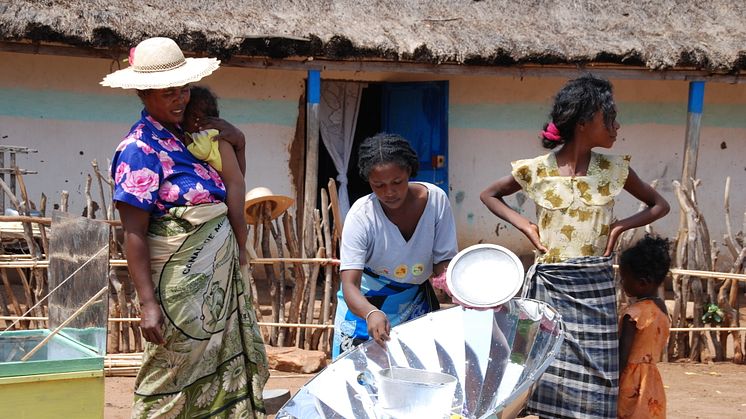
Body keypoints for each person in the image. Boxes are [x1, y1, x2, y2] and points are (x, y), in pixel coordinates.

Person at [480, 74, 670, 418]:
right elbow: (489, 195)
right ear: (584, 122)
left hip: (594, 289)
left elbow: (659, 205)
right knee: (538, 372)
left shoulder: (615, 170)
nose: (616, 126)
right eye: (608, 117)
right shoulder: (534, 170)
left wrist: (620, 226)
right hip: (549, 286)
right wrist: (525, 224)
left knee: (599, 379)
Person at [102, 37, 268, 418]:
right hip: (178, 290)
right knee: (169, 376)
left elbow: (229, 189)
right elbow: (134, 234)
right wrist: (147, 304)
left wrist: (239, 145)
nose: (180, 99)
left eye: (184, 90)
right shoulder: (139, 149)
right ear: (144, 94)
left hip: (218, 285)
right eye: (168, 93)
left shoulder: (189, 138)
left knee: (218, 375)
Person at [332, 133, 458, 359]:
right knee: (362, 384)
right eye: (378, 185)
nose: (389, 192)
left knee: (417, 380)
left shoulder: (436, 201)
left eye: (397, 182)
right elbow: (350, 284)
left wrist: (456, 288)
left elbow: (442, 262)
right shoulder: (362, 216)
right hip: (363, 310)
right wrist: (370, 312)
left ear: (409, 171)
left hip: (415, 306)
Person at [182, 85, 248, 266]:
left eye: (201, 118)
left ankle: (242, 250)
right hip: (233, 181)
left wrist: (186, 140)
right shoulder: (212, 134)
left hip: (234, 185)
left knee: (237, 217)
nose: (196, 122)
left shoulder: (207, 136)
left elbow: (201, 151)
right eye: (192, 117)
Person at [618, 234, 671, 419]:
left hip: (630, 384)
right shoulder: (662, 309)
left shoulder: (634, 314)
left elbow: (622, 357)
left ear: (642, 282)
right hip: (652, 384)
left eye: (624, 278)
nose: (622, 283)